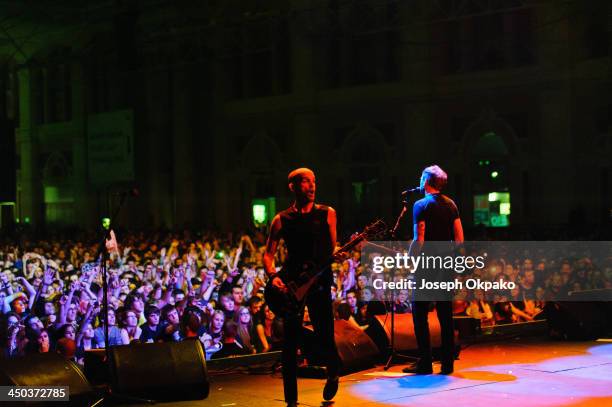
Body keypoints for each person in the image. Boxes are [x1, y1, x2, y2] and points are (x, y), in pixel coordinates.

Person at [263, 168, 340, 407]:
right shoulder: (281, 219)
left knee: (325, 334)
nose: (312, 185)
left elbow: (332, 250)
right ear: (293, 186)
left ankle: (333, 372)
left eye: (314, 181)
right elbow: (268, 254)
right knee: (290, 342)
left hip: (318, 280)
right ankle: (291, 400)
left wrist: (339, 255)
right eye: (306, 181)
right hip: (290, 283)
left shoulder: (327, 213)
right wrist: (273, 275)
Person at [404, 165, 463, 375]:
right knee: (445, 314)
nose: (419, 180)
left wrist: (410, 259)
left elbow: (419, 238)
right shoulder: (452, 205)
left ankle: (425, 362)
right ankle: (447, 364)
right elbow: (459, 238)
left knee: (420, 314)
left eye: (421, 177)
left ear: (426, 180)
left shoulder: (420, 205)